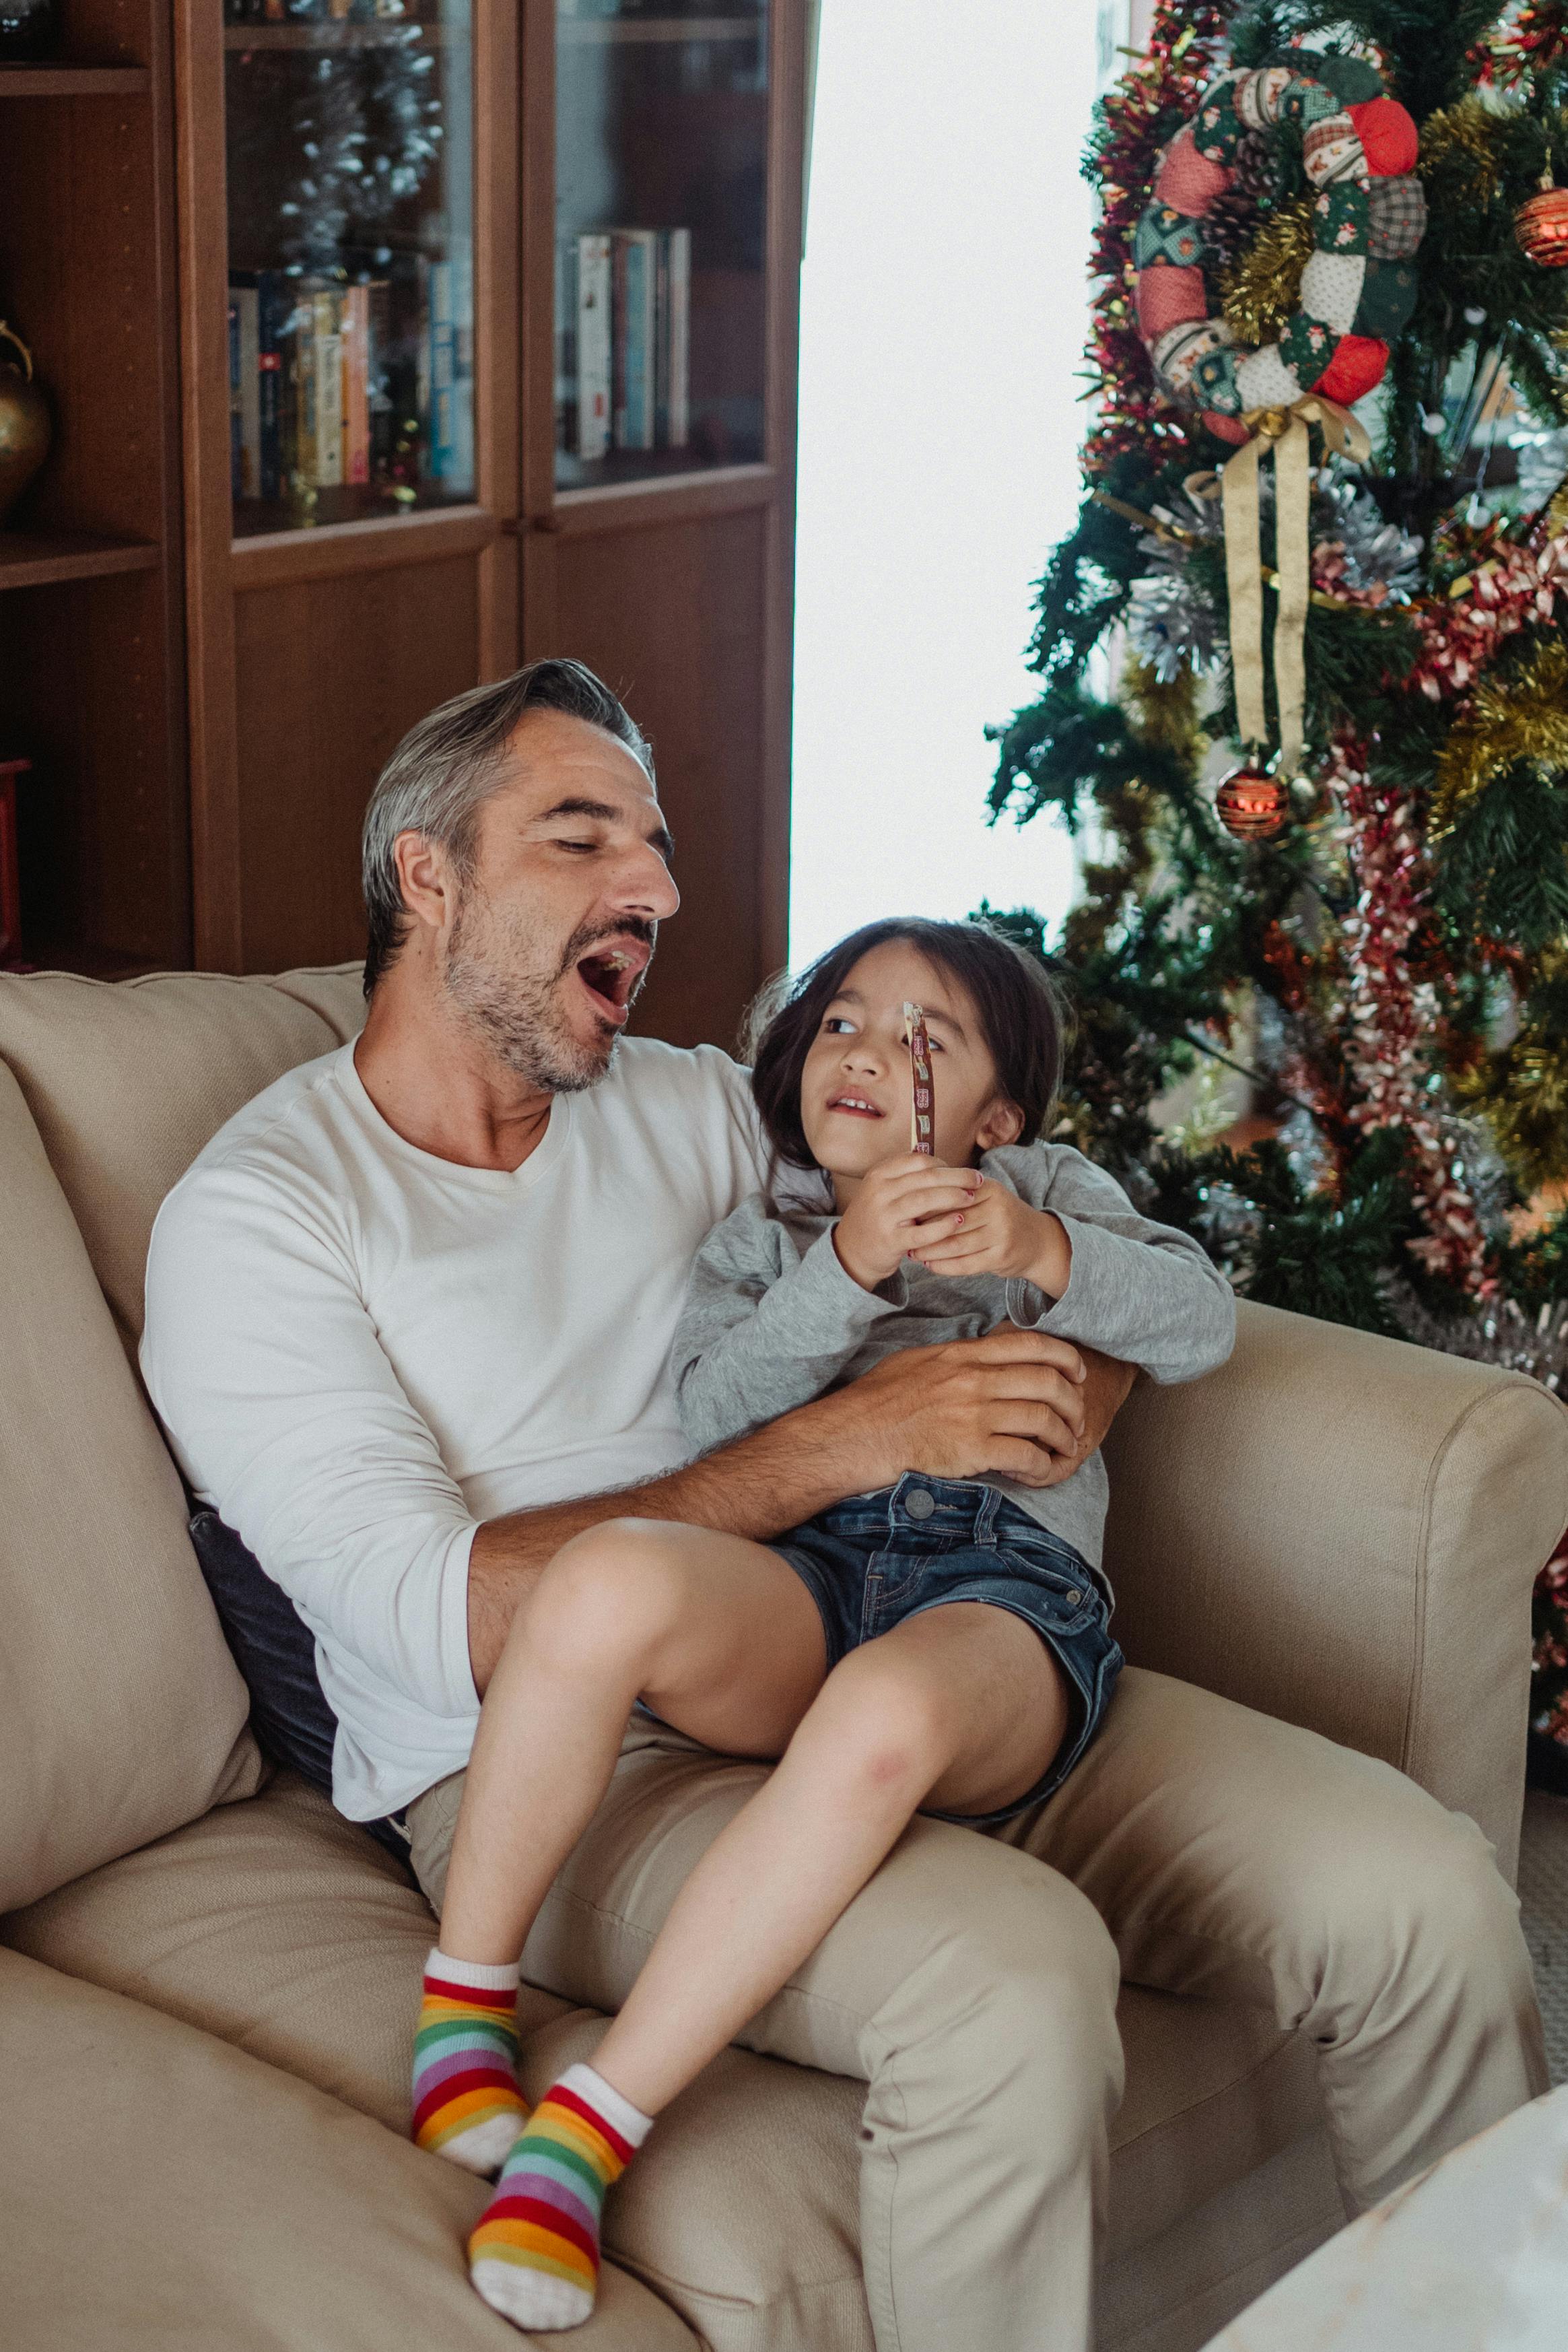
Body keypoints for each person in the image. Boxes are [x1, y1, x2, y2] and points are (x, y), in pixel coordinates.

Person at [141, 659, 1547, 2352]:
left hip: (929, 1622)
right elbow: (430, 1615)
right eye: (583, 837)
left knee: (1424, 1893)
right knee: (1012, 1988)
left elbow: (953, 1268)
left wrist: (1044, 1360)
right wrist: (867, 1437)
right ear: (426, 878)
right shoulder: (263, 1218)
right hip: (568, 1753)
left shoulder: (678, 1106)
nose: (656, 890)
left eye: (655, 850)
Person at [415, 915, 1235, 2329]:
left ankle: (590, 2128)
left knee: (884, 1714)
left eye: (929, 1039)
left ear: (996, 1113)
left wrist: (1041, 1245)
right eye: (846, 1020)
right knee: (605, 1573)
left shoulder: (1045, 1188)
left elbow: (1200, 1321)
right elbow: (719, 1419)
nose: (870, 1051)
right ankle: (458, 2005)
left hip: (999, 1594)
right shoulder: (769, 1233)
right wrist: (842, 1270)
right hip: (802, 1577)